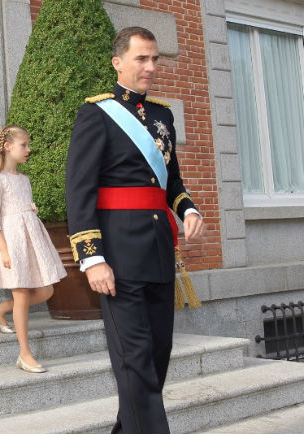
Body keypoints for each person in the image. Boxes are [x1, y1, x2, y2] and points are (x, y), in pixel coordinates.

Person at [65, 27, 205, 433]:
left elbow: (170, 182)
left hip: (160, 252)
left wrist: (189, 210)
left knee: (157, 354)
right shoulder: (97, 112)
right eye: (141, 58)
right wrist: (92, 259)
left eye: (155, 59)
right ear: (118, 62)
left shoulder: (162, 115)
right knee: (135, 359)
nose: (150, 66)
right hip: (118, 254)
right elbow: (80, 191)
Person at [0, 125, 67, 373]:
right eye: (24, 145)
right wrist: (4, 250)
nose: (29, 149)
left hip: (30, 240)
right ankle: (25, 354)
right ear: (7, 147)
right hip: (11, 241)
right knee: (22, 294)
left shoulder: (24, 179)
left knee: (47, 289)